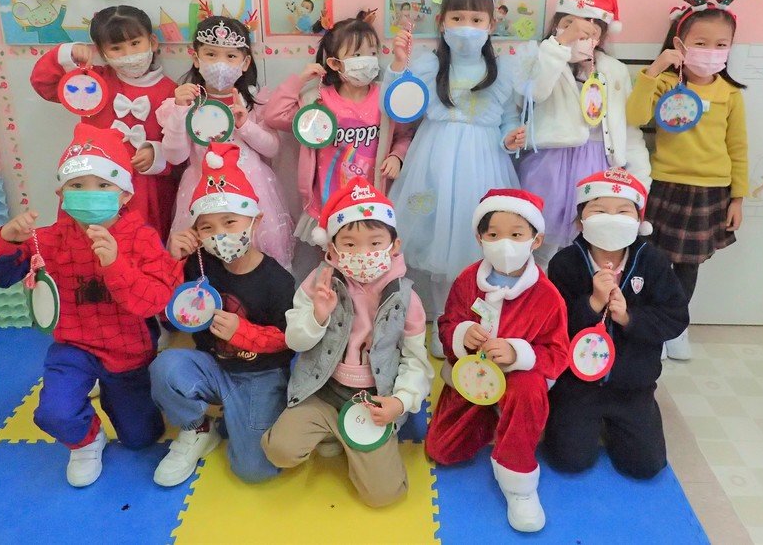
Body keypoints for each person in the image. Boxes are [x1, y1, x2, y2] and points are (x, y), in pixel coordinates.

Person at [0, 124, 182, 487]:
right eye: (77, 185)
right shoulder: (49, 240)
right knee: (54, 412)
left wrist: (115, 264)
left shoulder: (142, 238)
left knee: (141, 437)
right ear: (61, 193)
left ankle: (122, 410)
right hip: (74, 344)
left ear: (125, 195)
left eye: (103, 185)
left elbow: (156, 300)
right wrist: (6, 240)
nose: (90, 194)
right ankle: (86, 440)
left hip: (128, 348)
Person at [261, 177, 433, 507]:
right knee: (279, 450)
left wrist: (401, 402)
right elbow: (295, 341)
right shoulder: (320, 282)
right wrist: (317, 316)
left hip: (372, 401)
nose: (363, 254)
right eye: (350, 244)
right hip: (323, 390)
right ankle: (333, 431)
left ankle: (351, 441)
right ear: (332, 249)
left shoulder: (406, 298)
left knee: (385, 495)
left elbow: (416, 361)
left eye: (375, 242)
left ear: (394, 245)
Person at [385, 0, 531, 356]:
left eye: (476, 19)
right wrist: (398, 64)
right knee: (437, 243)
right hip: (433, 159)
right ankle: (442, 322)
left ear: (491, 25)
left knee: (477, 241)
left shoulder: (503, 72)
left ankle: (476, 324)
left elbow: (507, 119)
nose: (467, 27)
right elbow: (398, 104)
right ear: (442, 22)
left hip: (485, 161)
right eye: (458, 18)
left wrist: (511, 136)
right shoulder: (428, 65)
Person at [150, 144, 295, 486]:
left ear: (255, 221)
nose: (220, 235)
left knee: (255, 471)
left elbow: (288, 341)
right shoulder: (198, 265)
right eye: (207, 228)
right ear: (196, 233)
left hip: (261, 375)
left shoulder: (278, 280)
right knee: (164, 367)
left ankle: (243, 415)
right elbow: (166, 312)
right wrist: (170, 261)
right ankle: (198, 427)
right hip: (214, 367)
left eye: (230, 222)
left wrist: (242, 333)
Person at [425, 189, 568, 533]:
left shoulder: (547, 295)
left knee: (528, 388)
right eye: (493, 234)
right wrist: (461, 334)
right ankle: (497, 419)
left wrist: (519, 353)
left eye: (516, 234)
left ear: (536, 240)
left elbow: (558, 353)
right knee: (442, 450)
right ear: (480, 238)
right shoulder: (467, 280)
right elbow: (446, 324)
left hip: (519, 382)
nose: (505, 243)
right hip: (472, 376)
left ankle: (519, 481)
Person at [626, 0, 749, 360]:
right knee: (653, 261)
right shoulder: (665, 83)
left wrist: (738, 198)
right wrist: (654, 70)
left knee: (689, 267)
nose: (711, 51)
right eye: (701, 43)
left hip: (712, 193)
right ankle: (649, 326)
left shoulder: (730, 94)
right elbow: (634, 116)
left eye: (721, 44)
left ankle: (675, 329)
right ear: (680, 44)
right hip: (666, 186)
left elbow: (738, 148)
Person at [545, 168, 688, 479]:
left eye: (623, 211)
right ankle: (582, 421)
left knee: (646, 466)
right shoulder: (565, 263)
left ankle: (621, 423)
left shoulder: (653, 262)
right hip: (577, 385)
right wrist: (592, 304)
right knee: (568, 461)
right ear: (580, 221)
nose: (611, 218)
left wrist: (628, 318)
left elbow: (675, 316)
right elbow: (552, 325)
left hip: (632, 386)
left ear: (638, 221)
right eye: (599, 210)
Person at [517, 0, 650, 264]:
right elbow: (535, 92)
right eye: (569, 24)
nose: (578, 33)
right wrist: (559, 45)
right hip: (550, 165)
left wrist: (639, 178)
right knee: (539, 244)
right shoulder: (541, 57)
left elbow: (627, 129)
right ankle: (539, 290)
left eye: (589, 30)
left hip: (597, 166)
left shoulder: (614, 70)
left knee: (586, 245)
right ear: (556, 25)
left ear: (601, 36)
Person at [29, 5, 179, 240]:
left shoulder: (171, 90)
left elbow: (179, 144)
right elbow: (44, 84)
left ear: (152, 42)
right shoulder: (92, 82)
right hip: (92, 182)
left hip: (144, 187)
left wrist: (156, 153)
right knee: (85, 241)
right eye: (116, 48)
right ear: (102, 51)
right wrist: (67, 54)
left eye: (135, 43)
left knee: (139, 241)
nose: (128, 53)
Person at [156, 15, 294, 269]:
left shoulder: (254, 100)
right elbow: (175, 156)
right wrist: (179, 111)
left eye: (231, 56)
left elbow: (273, 148)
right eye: (210, 54)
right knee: (204, 259)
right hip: (201, 187)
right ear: (196, 58)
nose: (220, 63)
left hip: (252, 187)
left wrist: (245, 125)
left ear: (245, 62)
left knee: (254, 255)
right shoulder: (184, 103)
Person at [265, 13, 411, 246]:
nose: (367, 60)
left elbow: (404, 134)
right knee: (331, 258)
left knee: (370, 254)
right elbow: (275, 116)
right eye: (357, 55)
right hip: (329, 202)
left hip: (373, 202)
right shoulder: (317, 99)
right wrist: (300, 80)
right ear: (335, 63)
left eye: (372, 53)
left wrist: (397, 156)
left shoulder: (385, 97)